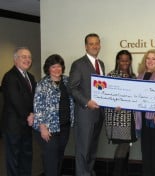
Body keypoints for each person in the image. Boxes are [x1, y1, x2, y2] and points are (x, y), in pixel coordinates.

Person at [68, 33, 105, 176]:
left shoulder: (100, 64)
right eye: (91, 44)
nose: (95, 46)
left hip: (97, 114)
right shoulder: (78, 64)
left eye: (97, 43)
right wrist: (86, 102)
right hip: (84, 115)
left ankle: (88, 172)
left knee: (92, 149)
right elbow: (72, 88)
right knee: (83, 150)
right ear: (85, 46)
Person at [32, 54, 74, 176]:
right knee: (51, 158)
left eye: (59, 66)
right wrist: (42, 127)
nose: (57, 69)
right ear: (48, 68)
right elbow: (38, 106)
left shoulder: (67, 81)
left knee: (60, 155)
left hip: (64, 126)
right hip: (49, 128)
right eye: (53, 67)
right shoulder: (42, 84)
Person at [1, 47, 36, 176]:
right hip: (13, 127)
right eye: (24, 57)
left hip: (27, 125)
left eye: (29, 57)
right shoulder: (10, 77)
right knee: (13, 160)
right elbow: (16, 101)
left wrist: (33, 114)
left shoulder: (31, 77)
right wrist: (29, 116)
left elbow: (34, 99)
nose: (27, 60)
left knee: (26, 158)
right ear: (15, 59)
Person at [135, 49, 155, 176]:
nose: (150, 61)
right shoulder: (140, 75)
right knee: (146, 151)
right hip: (142, 119)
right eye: (148, 58)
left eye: (154, 59)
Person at [104, 50, 137, 176]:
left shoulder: (133, 76)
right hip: (118, 119)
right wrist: (113, 104)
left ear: (130, 61)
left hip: (131, 119)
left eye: (127, 60)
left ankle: (123, 172)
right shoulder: (111, 76)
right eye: (122, 60)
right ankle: (116, 173)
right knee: (123, 147)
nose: (125, 63)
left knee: (127, 146)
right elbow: (105, 97)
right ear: (118, 61)